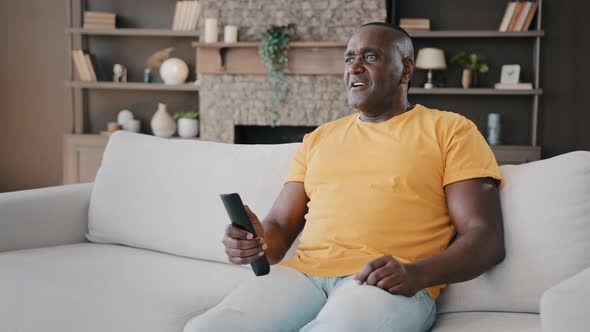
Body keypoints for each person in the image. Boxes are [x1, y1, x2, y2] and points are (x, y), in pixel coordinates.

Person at [184, 22, 505, 332]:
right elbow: (279, 229)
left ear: (406, 70)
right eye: (349, 58)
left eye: (370, 57)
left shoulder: (450, 130)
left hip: (385, 281)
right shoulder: (319, 139)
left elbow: (484, 237)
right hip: (303, 277)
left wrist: (416, 274)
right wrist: (256, 242)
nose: (353, 67)